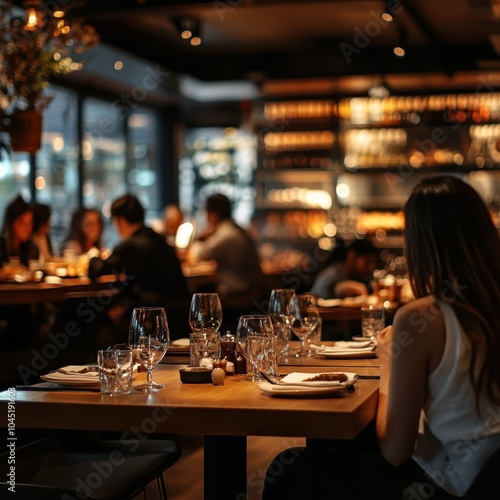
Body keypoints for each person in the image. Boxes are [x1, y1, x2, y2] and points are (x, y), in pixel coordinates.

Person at [263, 175, 500, 499]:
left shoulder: (422, 318)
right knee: (334, 441)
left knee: (290, 469)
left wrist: (390, 359)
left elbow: (395, 451)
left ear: (420, 243)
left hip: (456, 487)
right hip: (487, 475)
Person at [87, 194, 190, 335]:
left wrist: (92, 254)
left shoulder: (131, 246)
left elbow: (97, 269)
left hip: (152, 322)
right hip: (179, 317)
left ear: (120, 221)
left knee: (98, 330)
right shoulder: (159, 239)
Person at [186, 193, 269, 310]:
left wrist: (201, 237)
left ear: (213, 215)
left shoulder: (226, 234)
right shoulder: (236, 229)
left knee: (194, 297)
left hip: (239, 297)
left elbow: (197, 256)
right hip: (253, 291)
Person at [309, 237, 378, 299]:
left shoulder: (347, 273)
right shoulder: (333, 273)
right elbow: (324, 295)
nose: (369, 267)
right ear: (352, 255)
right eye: (367, 261)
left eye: (371, 263)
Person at [1, 194, 38, 266]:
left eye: (29, 223)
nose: (27, 228)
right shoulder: (2, 248)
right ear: (10, 224)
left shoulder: (31, 248)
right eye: (22, 223)